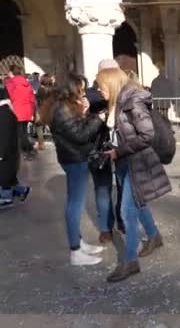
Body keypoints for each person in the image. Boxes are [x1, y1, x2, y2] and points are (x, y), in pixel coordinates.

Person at [96, 67, 171, 282]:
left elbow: (147, 135)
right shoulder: (118, 101)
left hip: (135, 161)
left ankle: (130, 262)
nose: (99, 91)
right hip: (122, 159)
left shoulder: (133, 101)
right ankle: (154, 236)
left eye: (101, 87)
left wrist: (119, 150)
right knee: (138, 202)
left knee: (126, 209)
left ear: (111, 84)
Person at [40, 74, 107, 266]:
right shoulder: (61, 109)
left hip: (73, 157)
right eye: (81, 88)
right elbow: (80, 135)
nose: (83, 92)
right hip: (75, 159)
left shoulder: (62, 106)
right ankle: (75, 251)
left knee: (74, 203)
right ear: (70, 89)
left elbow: (75, 129)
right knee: (75, 206)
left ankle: (78, 243)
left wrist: (85, 112)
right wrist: (99, 118)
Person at [86, 60, 126, 243]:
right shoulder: (92, 94)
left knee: (123, 186)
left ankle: (120, 220)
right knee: (103, 188)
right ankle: (106, 227)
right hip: (98, 148)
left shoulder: (124, 94)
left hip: (121, 148)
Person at [0, 87, 31, 208]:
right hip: (10, 152)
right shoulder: (7, 110)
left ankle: (6, 198)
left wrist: (1, 154)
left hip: (6, 152)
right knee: (9, 176)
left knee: (4, 176)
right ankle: (22, 190)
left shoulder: (3, 113)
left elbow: (4, 135)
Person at [6, 65, 37, 160]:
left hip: (17, 111)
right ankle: (28, 150)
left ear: (11, 72)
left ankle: (29, 150)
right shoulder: (26, 83)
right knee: (23, 132)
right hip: (27, 111)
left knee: (20, 134)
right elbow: (32, 99)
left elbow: (9, 97)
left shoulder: (11, 83)